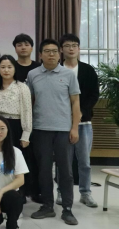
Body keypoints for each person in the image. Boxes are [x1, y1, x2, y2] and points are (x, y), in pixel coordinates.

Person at [27, 39, 81, 225]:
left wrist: (74, 128)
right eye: (47, 51)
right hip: (40, 129)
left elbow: (75, 102)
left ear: (59, 54)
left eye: (54, 51)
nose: (51, 54)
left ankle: (67, 209)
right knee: (43, 170)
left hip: (63, 130)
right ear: (40, 55)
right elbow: (30, 102)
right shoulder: (33, 74)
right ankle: (47, 206)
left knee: (65, 171)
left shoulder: (68, 75)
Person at [59, 33, 100, 208]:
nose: (71, 49)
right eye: (67, 45)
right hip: (61, 123)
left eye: (74, 45)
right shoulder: (57, 69)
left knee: (84, 161)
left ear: (78, 48)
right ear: (61, 49)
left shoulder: (87, 70)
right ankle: (62, 192)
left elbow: (94, 94)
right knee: (64, 161)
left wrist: (81, 111)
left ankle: (85, 193)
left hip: (83, 123)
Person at [0, 55, 35, 200]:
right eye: (3, 67)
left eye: (9, 67)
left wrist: (26, 134)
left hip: (16, 126)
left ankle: (19, 193)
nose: (6, 70)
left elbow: (27, 111)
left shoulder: (22, 87)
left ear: (15, 69)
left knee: (15, 160)